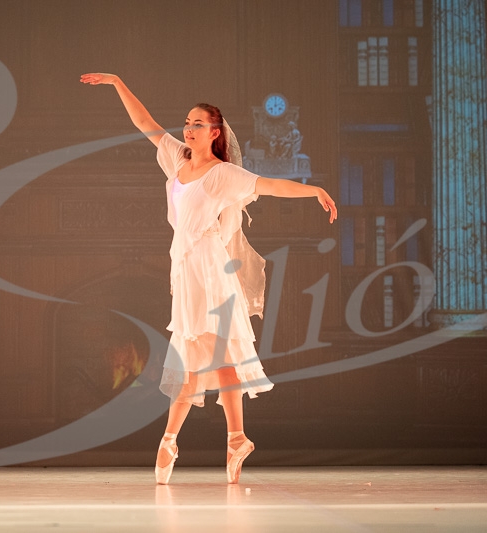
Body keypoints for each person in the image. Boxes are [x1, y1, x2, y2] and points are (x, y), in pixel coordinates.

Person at [80, 73, 337, 484]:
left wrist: (314, 191)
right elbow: (145, 123)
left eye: (197, 124)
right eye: (187, 123)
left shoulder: (221, 174)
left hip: (211, 268)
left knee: (219, 355)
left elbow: (268, 185)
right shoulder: (177, 158)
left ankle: (196, 440)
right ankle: (212, 439)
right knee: (195, 359)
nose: (188, 129)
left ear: (215, 132)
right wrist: (116, 83)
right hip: (185, 269)